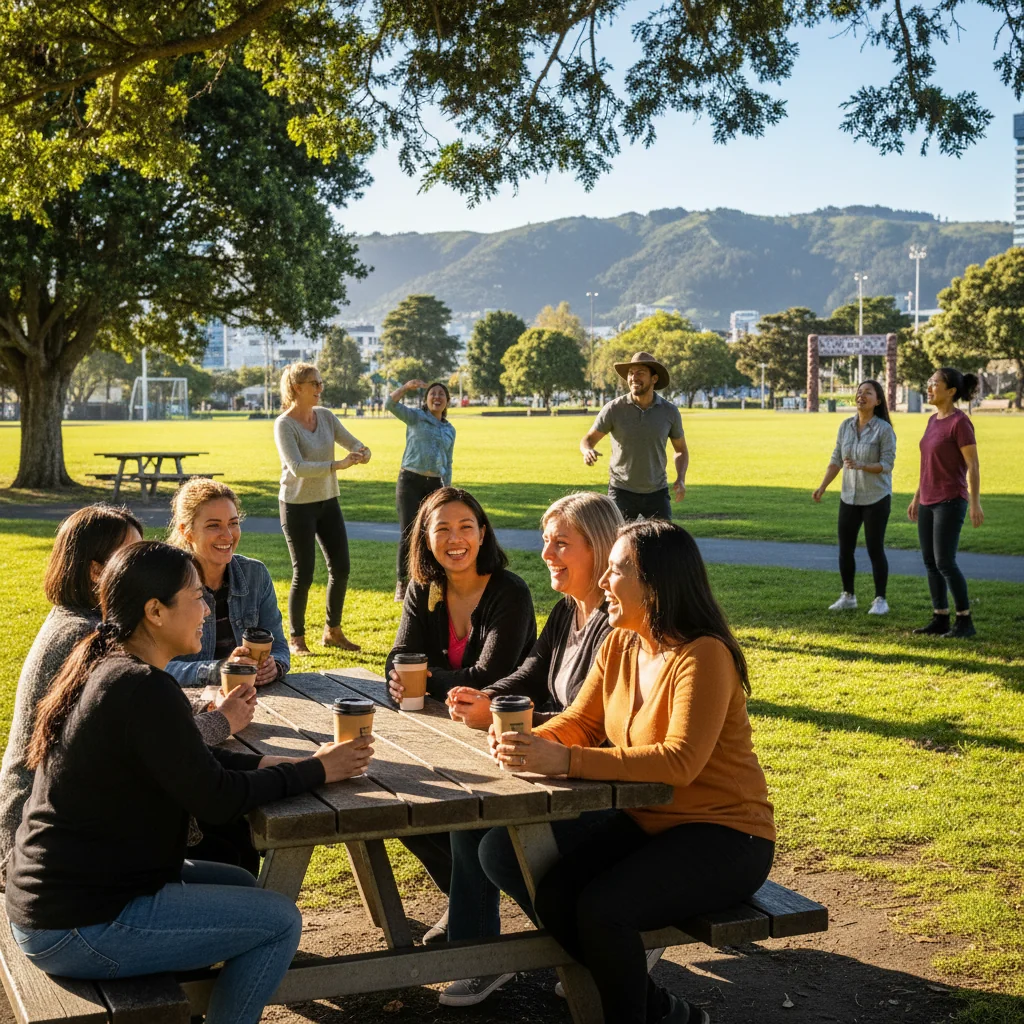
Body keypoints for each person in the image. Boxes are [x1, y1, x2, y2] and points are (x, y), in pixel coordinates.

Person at [4, 541, 373, 1024]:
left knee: (241, 883)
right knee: (280, 920)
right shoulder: (143, 688)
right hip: (78, 925)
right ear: (155, 611)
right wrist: (317, 770)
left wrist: (276, 765)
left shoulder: (114, 669)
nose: (207, 608)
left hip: (57, 902)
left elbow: (183, 764)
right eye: (196, 597)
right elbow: (216, 800)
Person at [481, 520, 775, 1024]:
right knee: (549, 892)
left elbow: (679, 761)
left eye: (616, 570)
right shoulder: (622, 643)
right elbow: (584, 719)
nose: (602, 582)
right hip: (647, 822)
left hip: (726, 835)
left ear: (656, 584)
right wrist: (534, 741)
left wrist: (566, 761)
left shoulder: (704, 655)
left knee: (601, 910)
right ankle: (662, 1010)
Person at [435, 491, 623, 1007]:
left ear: (601, 549)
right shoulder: (569, 610)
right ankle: (477, 956)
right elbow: (533, 671)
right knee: (466, 814)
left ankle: (602, 947)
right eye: (546, 542)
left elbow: (596, 723)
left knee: (498, 845)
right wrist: (489, 697)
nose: (546, 554)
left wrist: (507, 719)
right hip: (550, 760)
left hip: (598, 778)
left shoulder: (619, 623)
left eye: (561, 544)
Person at [383, 487, 537, 934]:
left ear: (483, 533)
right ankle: (464, 897)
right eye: (442, 529)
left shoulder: (509, 591)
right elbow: (397, 657)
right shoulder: (424, 587)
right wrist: (403, 674)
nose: (456, 539)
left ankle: (474, 917)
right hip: (439, 732)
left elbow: (491, 673)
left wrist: (422, 678)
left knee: (462, 820)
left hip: (502, 734)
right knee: (400, 808)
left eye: (466, 527)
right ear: (426, 539)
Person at [0, 505, 143, 883]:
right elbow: (139, 739)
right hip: (36, 845)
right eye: (132, 557)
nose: (145, 567)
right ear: (97, 572)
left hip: (45, 823)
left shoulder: (77, 618)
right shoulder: (86, 637)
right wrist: (220, 720)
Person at [274, 362, 371, 655]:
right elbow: (298, 468)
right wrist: (337, 465)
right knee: (303, 573)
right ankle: (296, 638)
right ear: (296, 388)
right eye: (314, 383)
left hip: (328, 501)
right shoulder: (284, 424)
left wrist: (363, 451)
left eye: (320, 383)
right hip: (296, 505)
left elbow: (351, 441)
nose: (320, 388)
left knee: (341, 568)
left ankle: (332, 631)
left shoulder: (326, 417)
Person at [909, 367, 984, 639]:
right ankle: (940, 617)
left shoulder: (960, 423)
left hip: (951, 500)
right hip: (928, 500)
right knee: (930, 561)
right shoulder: (932, 420)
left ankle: (965, 621)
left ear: (951, 391)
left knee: (945, 562)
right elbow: (927, 463)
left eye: (935, 383)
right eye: (928, 382)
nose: (929, 387)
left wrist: (975, 503)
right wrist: (917, 496)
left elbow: (973, 466)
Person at [812, 380, 897, 615]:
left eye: (867, 393)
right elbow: (836, 459)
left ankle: (880, 599)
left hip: (876, 497)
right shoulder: (845, 426)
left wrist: (863, 465)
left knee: (874, 549)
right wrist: (822, 486)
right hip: (849, 496)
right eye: (859, 392)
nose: (861, 396)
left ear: (877, 401)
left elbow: (887, 465)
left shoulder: (884, 430)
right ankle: (848, 595)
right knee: (845, 548)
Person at [580, 351, 688, 521]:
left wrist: (681, 479)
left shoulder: (669, 412)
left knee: (663, 543)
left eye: (640, 373)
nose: (633, 378)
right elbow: (588, 440)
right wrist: (587, 450)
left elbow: (681, 450)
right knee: (618, 542)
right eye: (631, 373)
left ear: (654, 378)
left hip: (657, 491)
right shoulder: (614, 409)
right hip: (621, 491)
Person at [385, 378, 457, 603]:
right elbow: (390, 404)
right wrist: (406, 388)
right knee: (408, 533)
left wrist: (448, 488)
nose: (437, 397)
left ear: (446, 402)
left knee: (431, 534)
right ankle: (402, 582)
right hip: (410, 481)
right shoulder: (416, 417)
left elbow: (448, 460)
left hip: (434, 484)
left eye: (441, 395)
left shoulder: (449, 430)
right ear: (426, 400)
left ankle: (428, 580)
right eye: (433, 393)